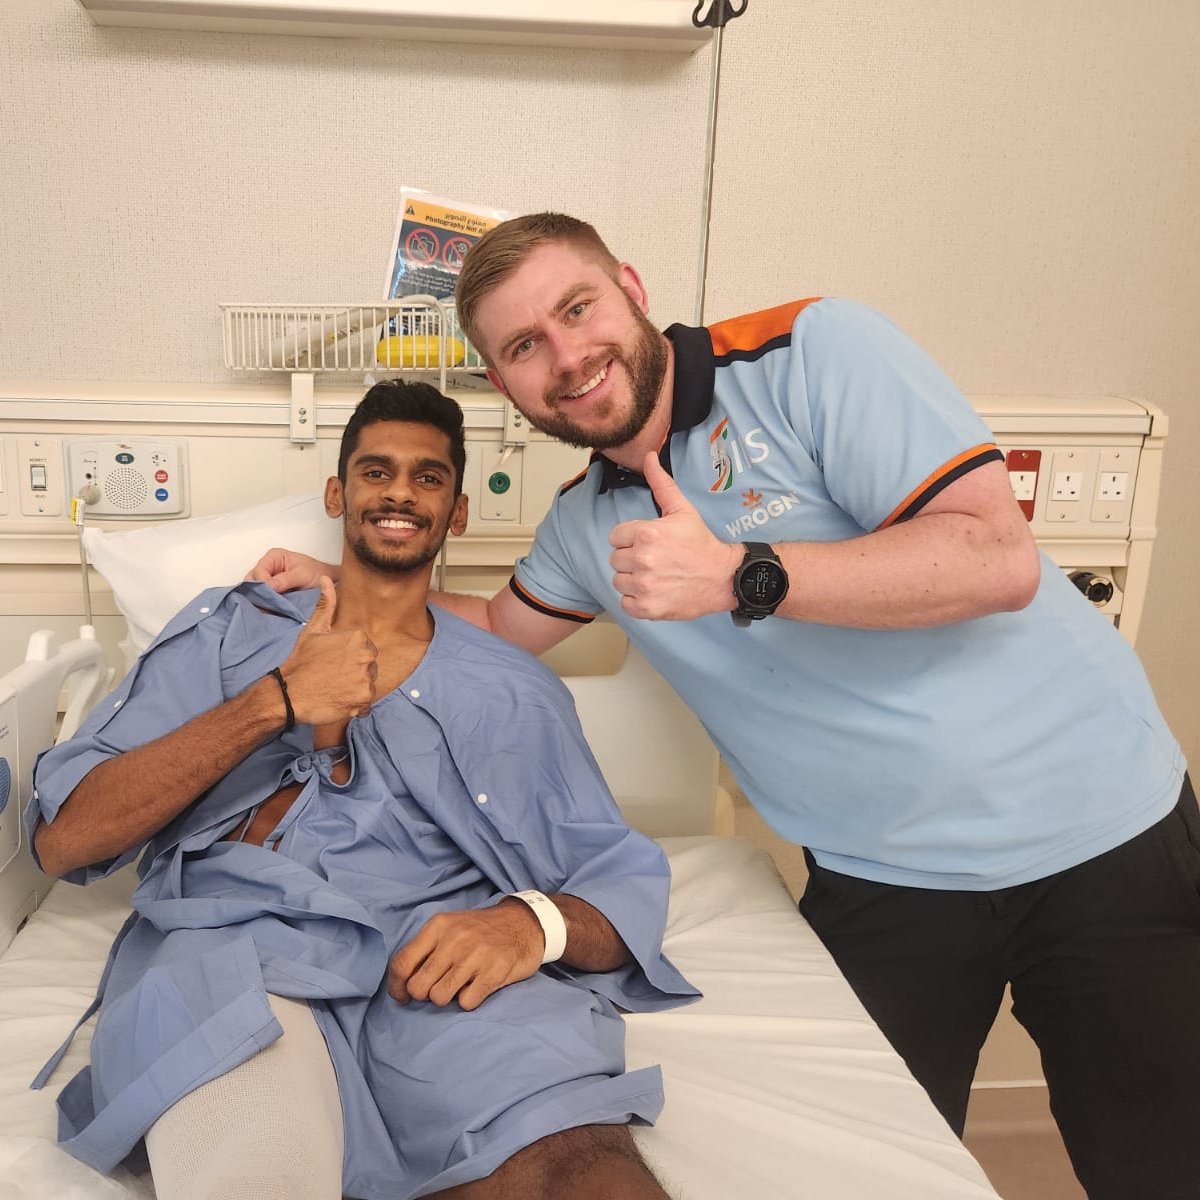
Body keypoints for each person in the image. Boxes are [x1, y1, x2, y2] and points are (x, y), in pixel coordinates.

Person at [251, 213, 1198, 1200]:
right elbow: (493, 623)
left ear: (632, 287)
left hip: (1100, 837)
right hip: (883, 885)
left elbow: (995, 558)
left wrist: (741, 573)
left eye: (577, 309)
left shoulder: (811, 355)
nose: (568, 357)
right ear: (504, 383)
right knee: (869, 1176)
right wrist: (357, 577)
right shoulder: (586, 525)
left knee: (1160, 1165)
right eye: (525, 346)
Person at [26, 380, 698, 1200]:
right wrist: (275, 700)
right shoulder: (236, 629)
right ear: (339, 494)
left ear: (455, 513)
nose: (400, 494)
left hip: (438, 966)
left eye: (428, 478)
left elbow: (614, 878)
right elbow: (65, 839)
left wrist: (530, 925)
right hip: (244, 947)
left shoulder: (509, 687)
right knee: (254, 1174)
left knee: (581, 1173)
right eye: (377, 472)